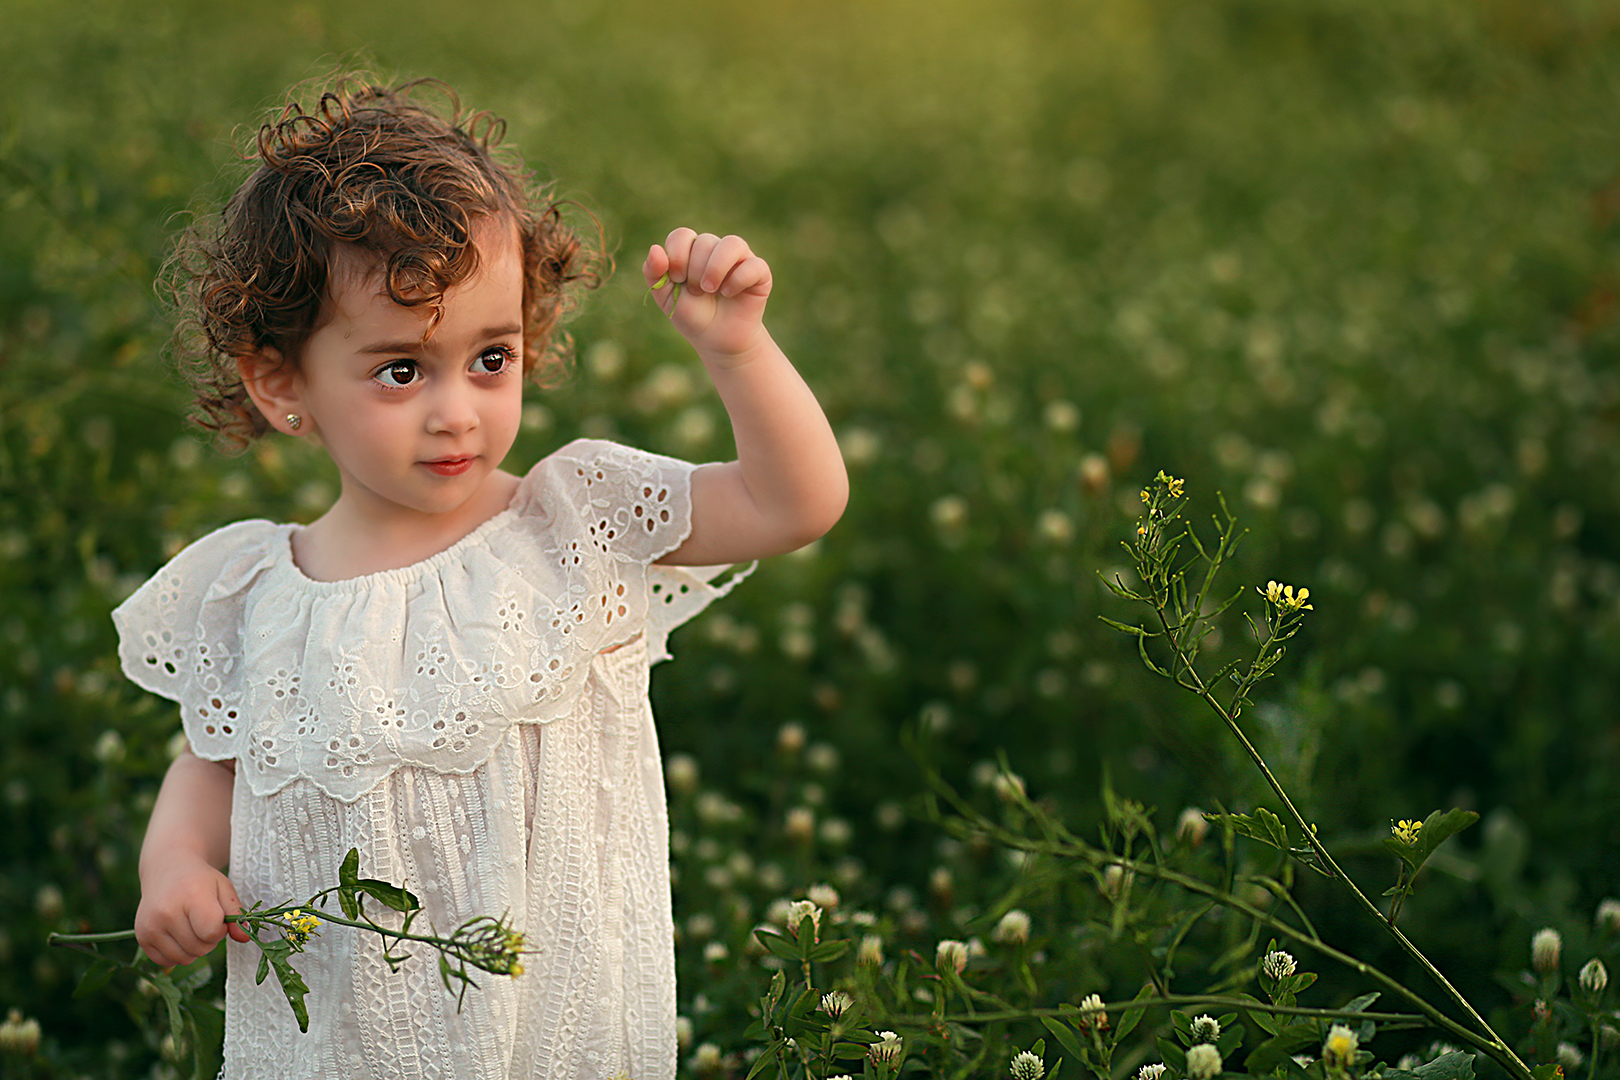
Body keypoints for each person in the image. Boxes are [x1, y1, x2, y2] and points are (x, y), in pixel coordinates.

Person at [113, 75, 846, 1079]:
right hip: (346, 1043)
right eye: (402, 371)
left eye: (491, 358)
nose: (457, 412)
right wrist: (174, 866)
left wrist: (738, 350)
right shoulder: (257, 596)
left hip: (562, 1027)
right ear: (283, 383)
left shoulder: (571, 522)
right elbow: (213, 764)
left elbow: (793, 503)